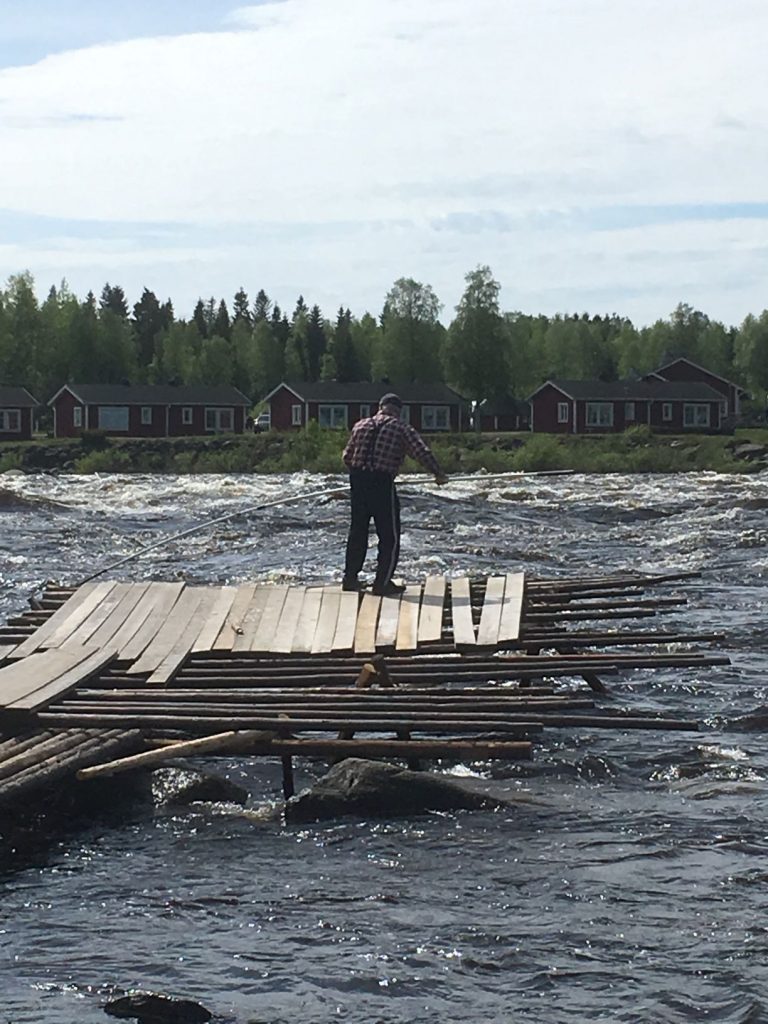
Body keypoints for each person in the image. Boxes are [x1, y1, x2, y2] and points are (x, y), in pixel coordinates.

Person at [342, 392, 448, 596]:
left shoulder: (361, 425)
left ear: (380, 407)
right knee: (389, 535)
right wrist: (438, 473)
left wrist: (361, 470)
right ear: (399, 411)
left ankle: (350, 579)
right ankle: (382, 582)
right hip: (381, 482)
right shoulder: (401, 428)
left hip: (357, 481)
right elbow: (421, 452)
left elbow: (347, 456)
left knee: (358, 532)